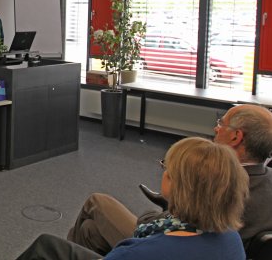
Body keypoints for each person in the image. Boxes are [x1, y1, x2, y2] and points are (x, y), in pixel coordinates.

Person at [65, 104, 272, 255]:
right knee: (90, 231)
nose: (216, 128)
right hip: (213, 247)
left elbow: (173, 222)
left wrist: (153, 215)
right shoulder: (264, 180)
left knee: (97, 201)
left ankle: (67, 251)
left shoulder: (226, 184)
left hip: (181, 246)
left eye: (221, 124)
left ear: (236, 137)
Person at [16, 137, 250, 260]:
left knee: (45, 245)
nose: (164, 171)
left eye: (167, 167)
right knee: (89, 231)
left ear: (181, 187)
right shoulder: (231, 238)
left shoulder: (139, 253)